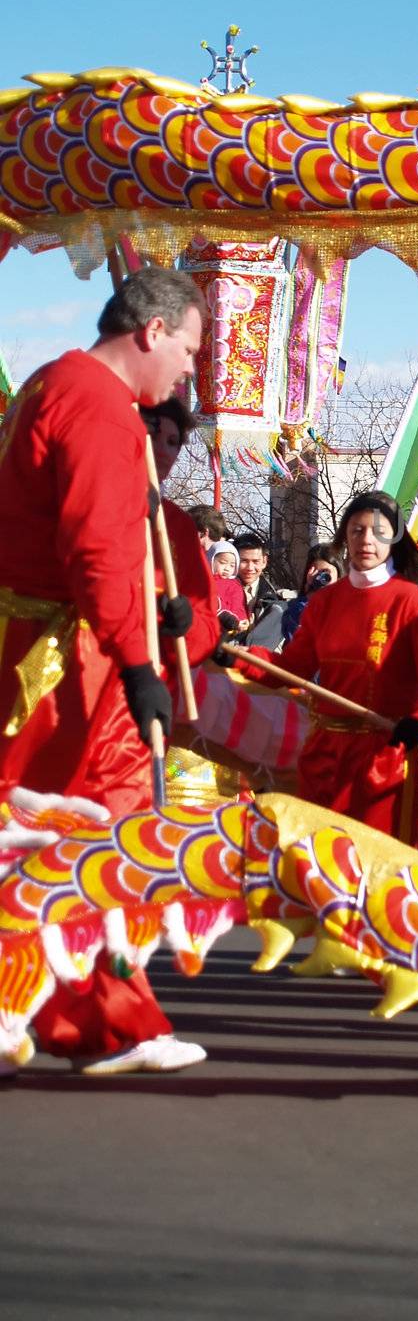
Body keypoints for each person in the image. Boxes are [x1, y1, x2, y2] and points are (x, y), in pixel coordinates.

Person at [0, 266, 207, 1076]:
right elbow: (97, 549)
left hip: (53, 638)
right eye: (189, 351)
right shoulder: (94, 401)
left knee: (90, 830)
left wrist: (154, 621)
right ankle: (92, 1015)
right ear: (153, 332)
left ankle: (107, 1018)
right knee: (49, 833)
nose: (189, 372)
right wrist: (136, 662)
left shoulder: (57, 383)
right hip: (61, 657)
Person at [242, 491, 418, 838]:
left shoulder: (413, 602)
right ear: (344, 537)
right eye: (357, 531)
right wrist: (241, 660)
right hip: (323, 755)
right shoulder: (325, 602)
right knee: (315, 859)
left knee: (371, 866)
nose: (366, 540)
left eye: (378, 532)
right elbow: (292, 666)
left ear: (395, 539)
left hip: (383, 758)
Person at [141, 398, 222, 678]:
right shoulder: (91, 503)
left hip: (156, 688)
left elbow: (207, 627)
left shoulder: (179, 526)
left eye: (173, 442)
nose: (162, 451)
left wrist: (188, 625)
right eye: (153, 436)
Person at [230, 533, 286, 651]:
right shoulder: (219, 591)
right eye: (244, 561)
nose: (250, 568)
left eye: (255, 561)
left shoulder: (276, 602)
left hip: (257, 662)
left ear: (264, 561)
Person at [280, 545, 342, 643]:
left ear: (338, 577)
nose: (321, 578)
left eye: (325, 572)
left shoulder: (347, 609)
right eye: (316, 572)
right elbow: (295, 637)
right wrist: (310, 597)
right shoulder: (295, 609)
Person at [208, 539, 250, 631]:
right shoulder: (206, 581)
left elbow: (238, 604)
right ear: (211, 560)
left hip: (232, 627)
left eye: (232, 565)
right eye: (223, 563)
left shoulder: (234, 584)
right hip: (213, 626)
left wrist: (241, 619)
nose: (227, 568)